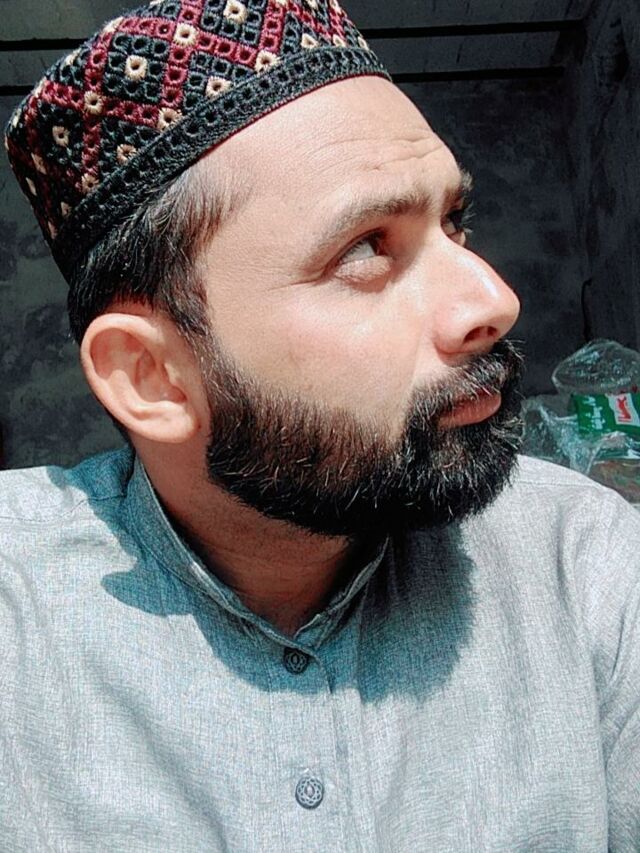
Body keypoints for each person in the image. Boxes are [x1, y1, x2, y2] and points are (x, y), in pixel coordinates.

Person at [2, 0, 639, 849]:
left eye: (454, 223)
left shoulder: (580, 560)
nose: (494, 299)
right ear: (152, 377)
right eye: (367, 248)